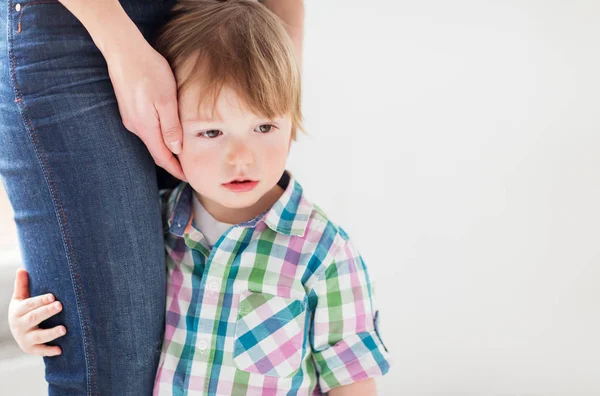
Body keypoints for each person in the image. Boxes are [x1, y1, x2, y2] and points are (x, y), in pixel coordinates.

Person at [8, 0, 391, 394]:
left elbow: (351, 379)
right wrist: (28, 324)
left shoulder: (325, 254)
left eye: (263, 126)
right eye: (212, 132)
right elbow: (89, 314)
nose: (242, 157)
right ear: (167, 126)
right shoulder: (149, 229)